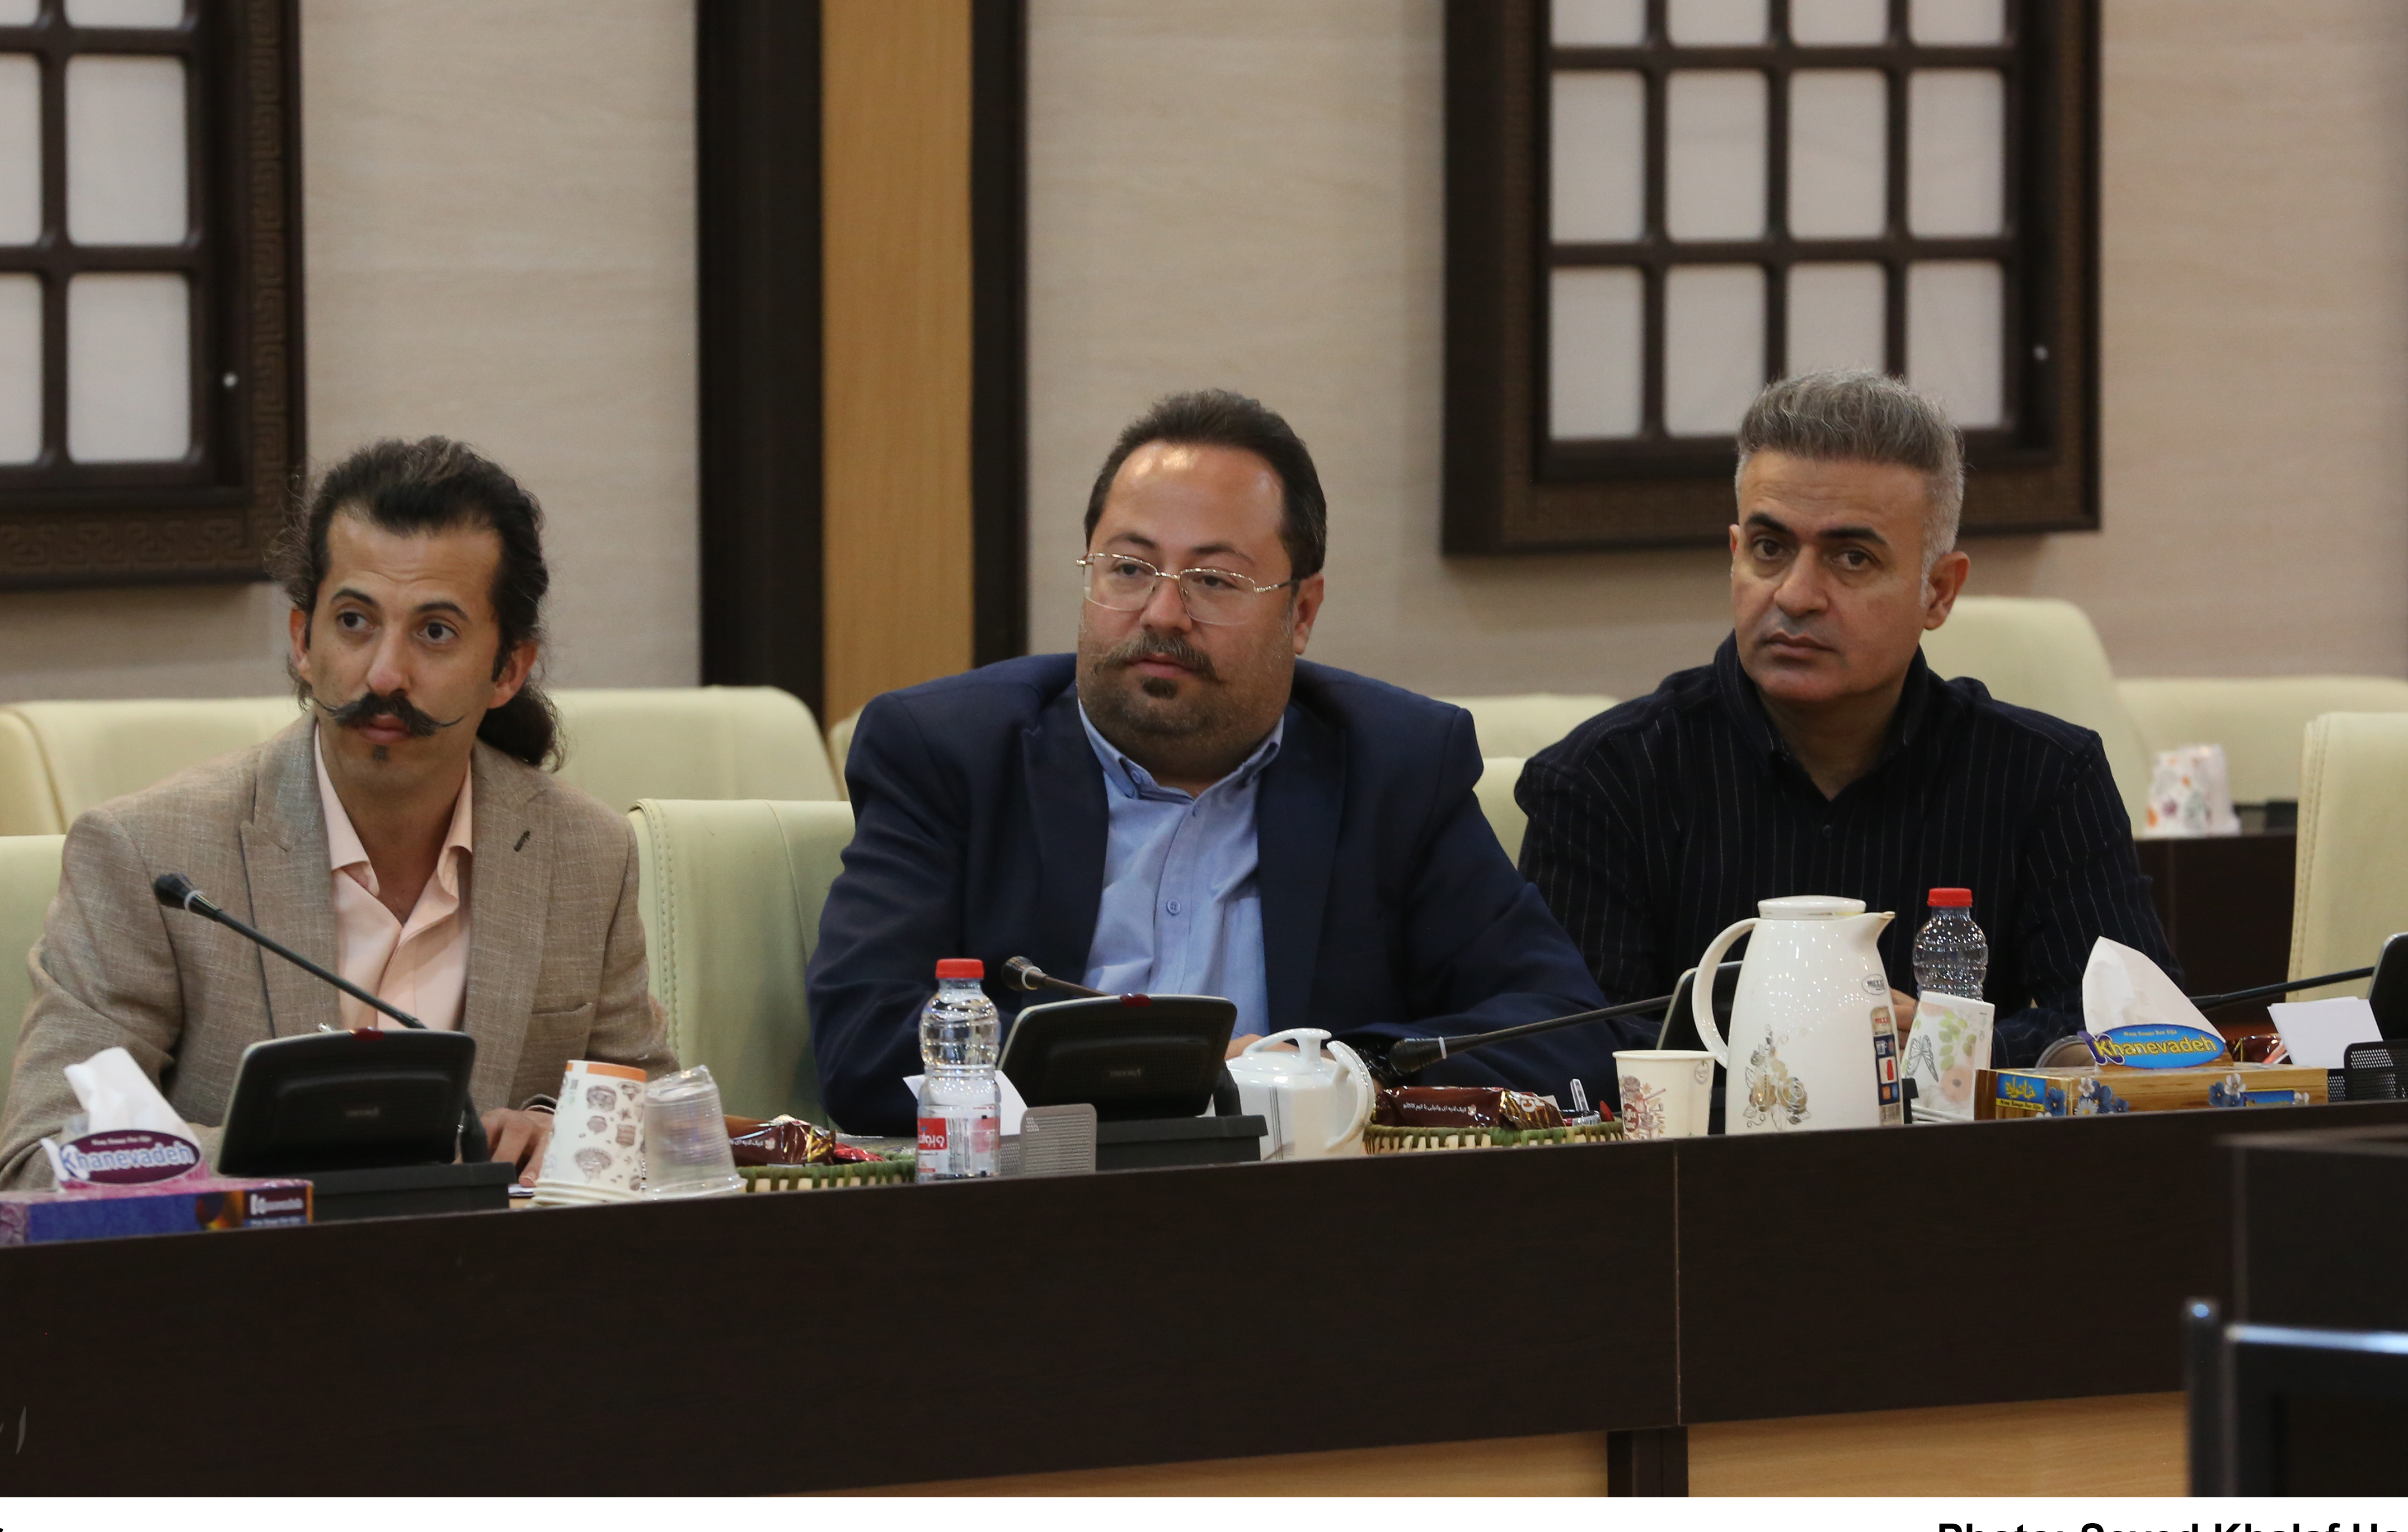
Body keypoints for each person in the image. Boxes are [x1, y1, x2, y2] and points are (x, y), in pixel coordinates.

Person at [808, 389, 1621, 1136]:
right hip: (1036, 1205)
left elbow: (1563, 1033)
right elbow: (865, 1050)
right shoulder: (948, 752)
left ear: (1301, 614)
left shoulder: (1394, 765)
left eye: (1214, 580)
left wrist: (1322, 1072)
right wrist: (1163, 1072)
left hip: (1308, 1215)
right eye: (1129, 569)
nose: (1163, 613)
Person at [0, 438, 669, 1188]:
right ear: (302, 643)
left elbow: (664, 1130)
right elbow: (39, 1163)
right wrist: (312, 1152)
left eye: (435, 633)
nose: (385, 673)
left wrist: (561, 1131)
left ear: (508, 669)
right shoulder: (150, 857)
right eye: (353, 622)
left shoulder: (585, 853)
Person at [1515, 370, 2179, 1069]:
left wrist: (1945, 1042)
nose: (1796, 595)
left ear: (1938, 592)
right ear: (1735, 556)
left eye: (1852, 558)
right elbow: (1570, 1054)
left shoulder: (2044, 778)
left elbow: (2141, 1038)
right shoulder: (1606, 780)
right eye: (1770, 549)